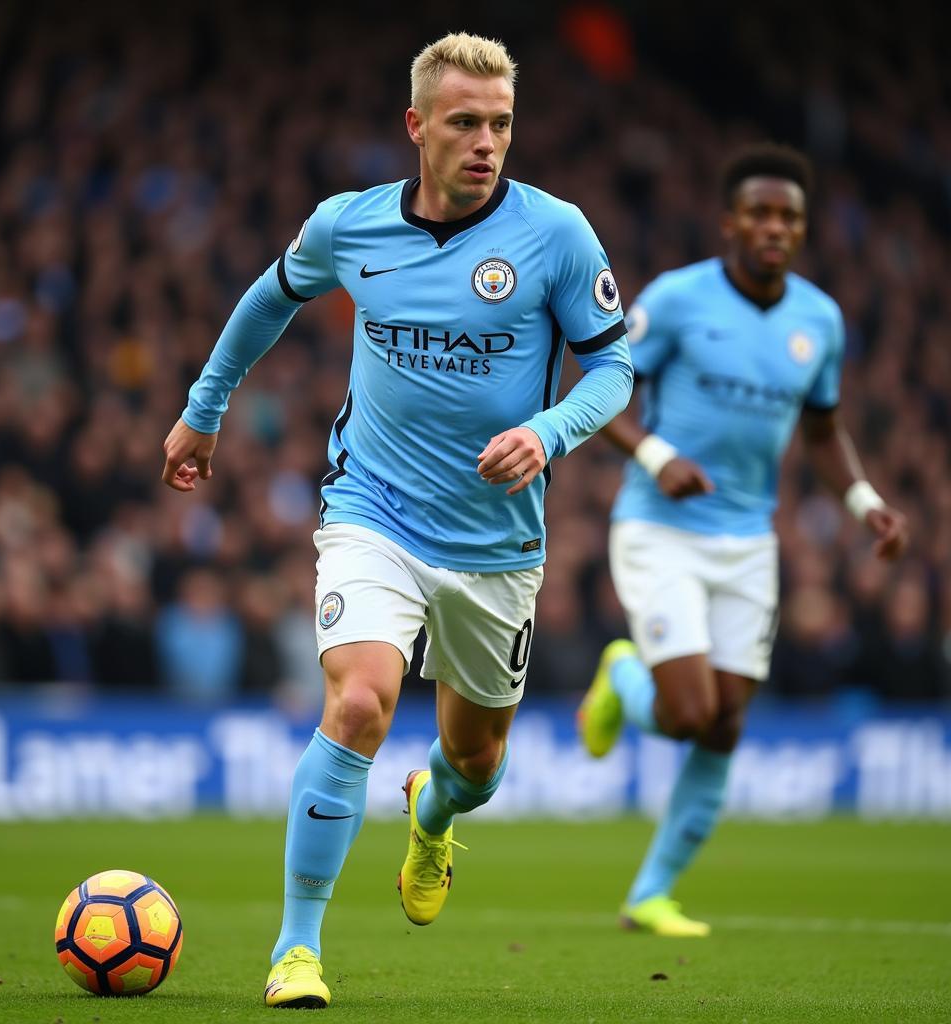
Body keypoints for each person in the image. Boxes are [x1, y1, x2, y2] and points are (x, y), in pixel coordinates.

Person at [161, 32, 633, 1009]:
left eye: (500, 124)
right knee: (360, 701)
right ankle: (298, 948)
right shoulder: (349, 226)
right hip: (370, 510)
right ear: (416, 127)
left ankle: (434, 815)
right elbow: (268, 297)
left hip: (496, 543)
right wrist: (205, 409)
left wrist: (546, 432)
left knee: (476, 762)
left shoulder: (557, 234)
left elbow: (615, 370)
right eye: (464, 122)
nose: (486, 142)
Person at [577, 142, 908, 938]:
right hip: (659, 527)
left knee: (727, 724)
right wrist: (658, 456)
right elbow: (600, 389)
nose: (773, 227)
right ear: (729, 221)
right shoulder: (680, 300)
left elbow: (823, 432)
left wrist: (864, 501)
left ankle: (651, 895)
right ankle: (624, 680)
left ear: (801, 230)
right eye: (759, 212)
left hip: (748, 543)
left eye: (788, 216)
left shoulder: (818, 320)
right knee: (691, 713)